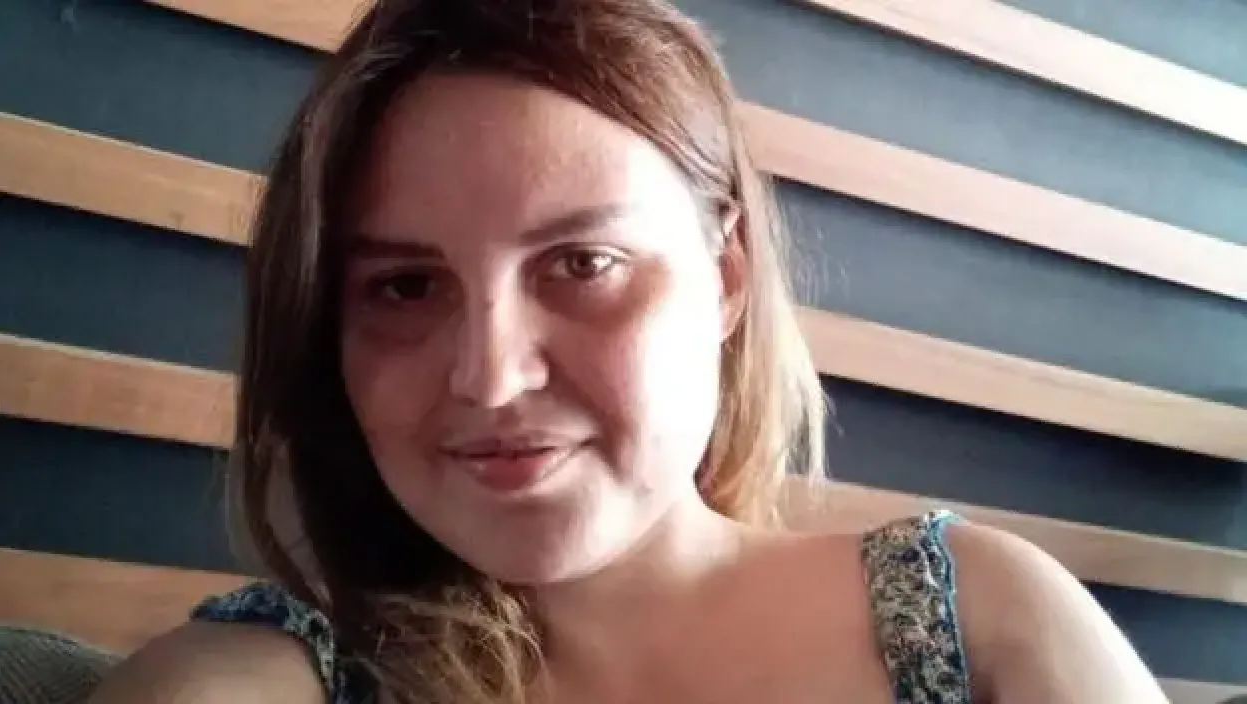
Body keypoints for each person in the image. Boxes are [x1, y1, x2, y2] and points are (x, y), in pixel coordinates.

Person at [88, 1, 1168, 702]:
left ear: (726, 277)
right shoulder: (287, 674)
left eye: (583, 263)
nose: (491, 376)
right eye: (406, 286)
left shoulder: (981, 617)